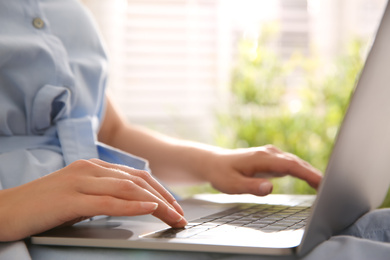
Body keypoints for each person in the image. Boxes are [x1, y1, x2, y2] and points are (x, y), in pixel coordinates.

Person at [0, 1, 389, 260]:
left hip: (124, 223)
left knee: (373, 229)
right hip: (28, 241)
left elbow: (110, 129)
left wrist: (212, 163)